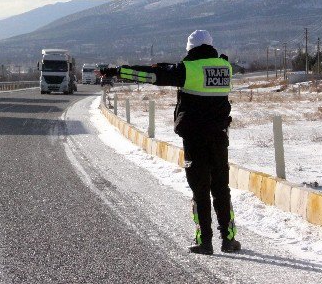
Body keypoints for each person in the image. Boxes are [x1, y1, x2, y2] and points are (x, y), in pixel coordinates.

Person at [101, 30, 241, 255]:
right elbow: (174, 68)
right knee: (221, 189)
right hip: (219, 138)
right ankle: (229, 239)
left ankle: (205, 241)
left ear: (190, 49)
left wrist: (118, 72)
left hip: (195, 139)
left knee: (200, 190)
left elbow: (152, 76)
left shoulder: (187, 70)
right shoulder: (226, 67)